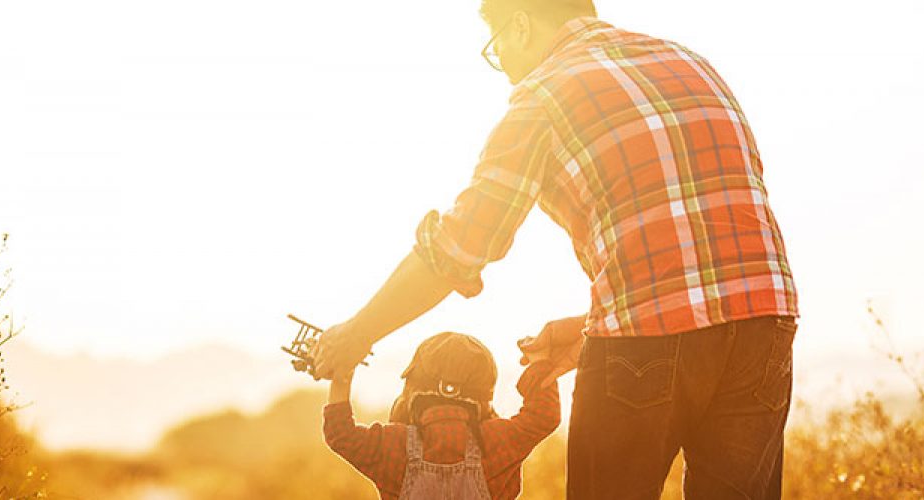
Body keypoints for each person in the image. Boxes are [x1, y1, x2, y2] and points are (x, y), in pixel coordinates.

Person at [313, 0, 799, 497]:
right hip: (766, 323)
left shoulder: (542, 96)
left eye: (495, 46)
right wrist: (591, 327)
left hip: (645, 340)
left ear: (520, 25)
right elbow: (701, 243)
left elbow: (461, 248)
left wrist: (358, 333)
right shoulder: (691, 64)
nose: (500, 65)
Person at [322, 332, 560, 500]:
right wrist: (539, 361)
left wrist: (342, 376)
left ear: (413, 389)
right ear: (484, 396)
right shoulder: (496, 441)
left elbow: (341, 434)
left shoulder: (394, 445)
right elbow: (543, 416)